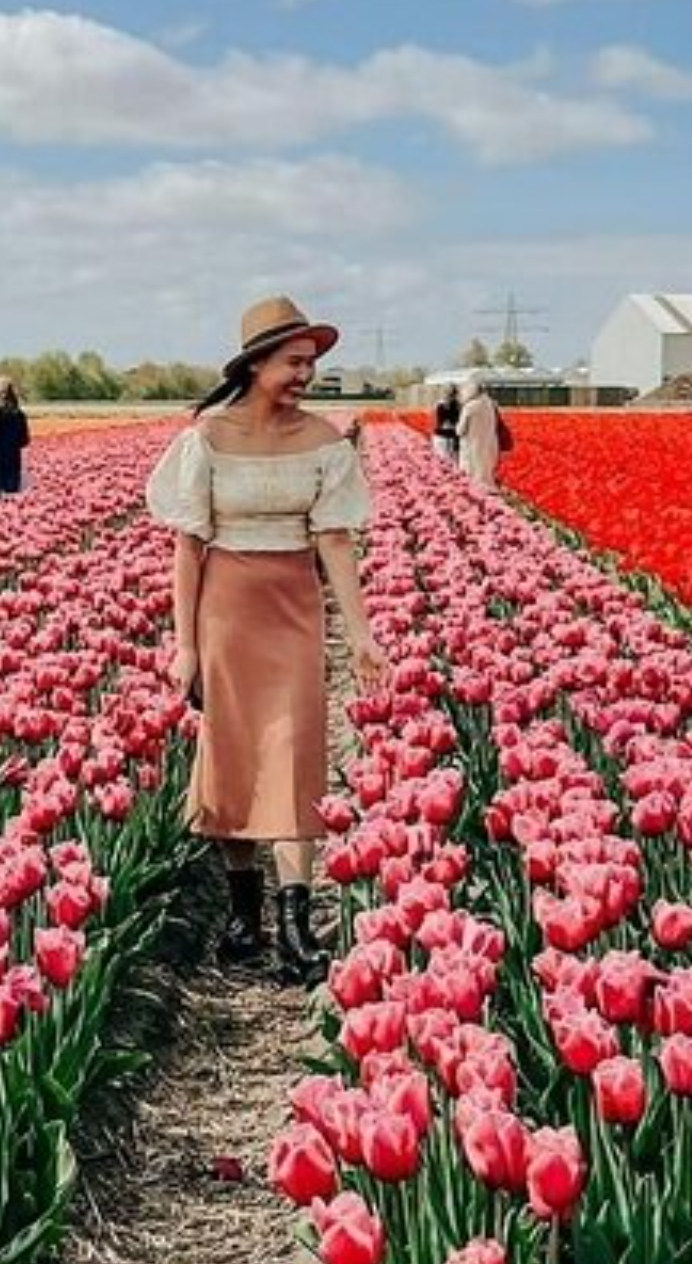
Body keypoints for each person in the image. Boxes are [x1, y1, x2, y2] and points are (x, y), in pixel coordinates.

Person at [145, 295, 388, 987]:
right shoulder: (206, 439)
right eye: (295, 361)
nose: (308, 374)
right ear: (256, 364)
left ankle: (294, 927)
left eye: (313, 362)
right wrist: (184, 644)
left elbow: (336, 543)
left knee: (293, 754)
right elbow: (188, 548)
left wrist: (363, 634)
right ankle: (243, 914)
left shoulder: (324, 445)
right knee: (232, 756)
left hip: (293, 609)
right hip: (224, 611)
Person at [455, 379, 503, 487]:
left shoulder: (469, 407)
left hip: (472, 444)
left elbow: (460, 430)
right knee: (486, 472)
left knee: (473, 474)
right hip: (489, 442)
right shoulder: (490, 403)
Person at [431, 386, 461, 462]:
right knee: (452, 460)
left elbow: (436, 422)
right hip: (450, 436)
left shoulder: (439, 404)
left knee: (442, 460)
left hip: (443, 436)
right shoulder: (458, 405)